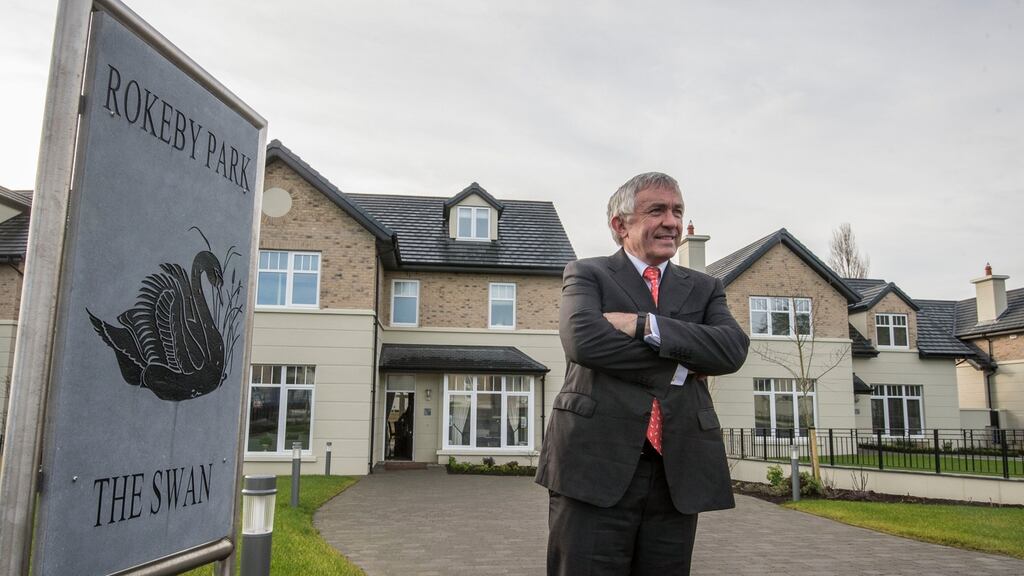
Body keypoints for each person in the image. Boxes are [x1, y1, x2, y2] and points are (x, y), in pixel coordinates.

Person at [536, 172, 749, 575]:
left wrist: (643, 326)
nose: (672, 221)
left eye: (678, 210)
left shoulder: (706, 288)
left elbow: (733, 350)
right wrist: (686, 363)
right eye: (657, 210)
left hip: (677, 471)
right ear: (621, 225)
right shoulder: (587, 274)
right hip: (593, 464)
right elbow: (585, 342)